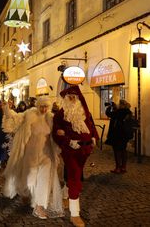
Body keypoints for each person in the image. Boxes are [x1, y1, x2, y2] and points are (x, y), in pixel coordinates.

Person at [2, 96, 64, 219]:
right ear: (37, 105)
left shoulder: (51, 118)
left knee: (44, 181)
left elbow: (59, 129)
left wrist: (60, 133)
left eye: (46, 107)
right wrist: (7, 110)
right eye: (42, 106)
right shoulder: (30, 114)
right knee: (30, 179)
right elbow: (16, 119)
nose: (44, 109)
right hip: (30, 153)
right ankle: (27, 194)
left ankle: (39, 207)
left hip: (46, 154)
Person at [52, 85, 99, 227]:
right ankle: (75, 214)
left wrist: (94, 138)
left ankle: (66, 195)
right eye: (69, 97)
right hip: (71, 150)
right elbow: (56, 133)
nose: (72, 99)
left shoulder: (84, 111)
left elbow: (91, 125)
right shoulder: (61, 114)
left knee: (75, 175)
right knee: (75, 178)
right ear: (66, 99)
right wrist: (68, 141)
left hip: (85, 150)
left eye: (74, 97)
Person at [105, 99, 134, 174]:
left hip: (117, 135)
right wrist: (115, 108)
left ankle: (118, 168)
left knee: (117, 151)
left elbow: (108, 114)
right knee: (123, 150)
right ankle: (123, 167)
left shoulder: (119, 112)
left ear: (121, 105)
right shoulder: (128, 112)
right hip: (125, 135)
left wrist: (109, 107)